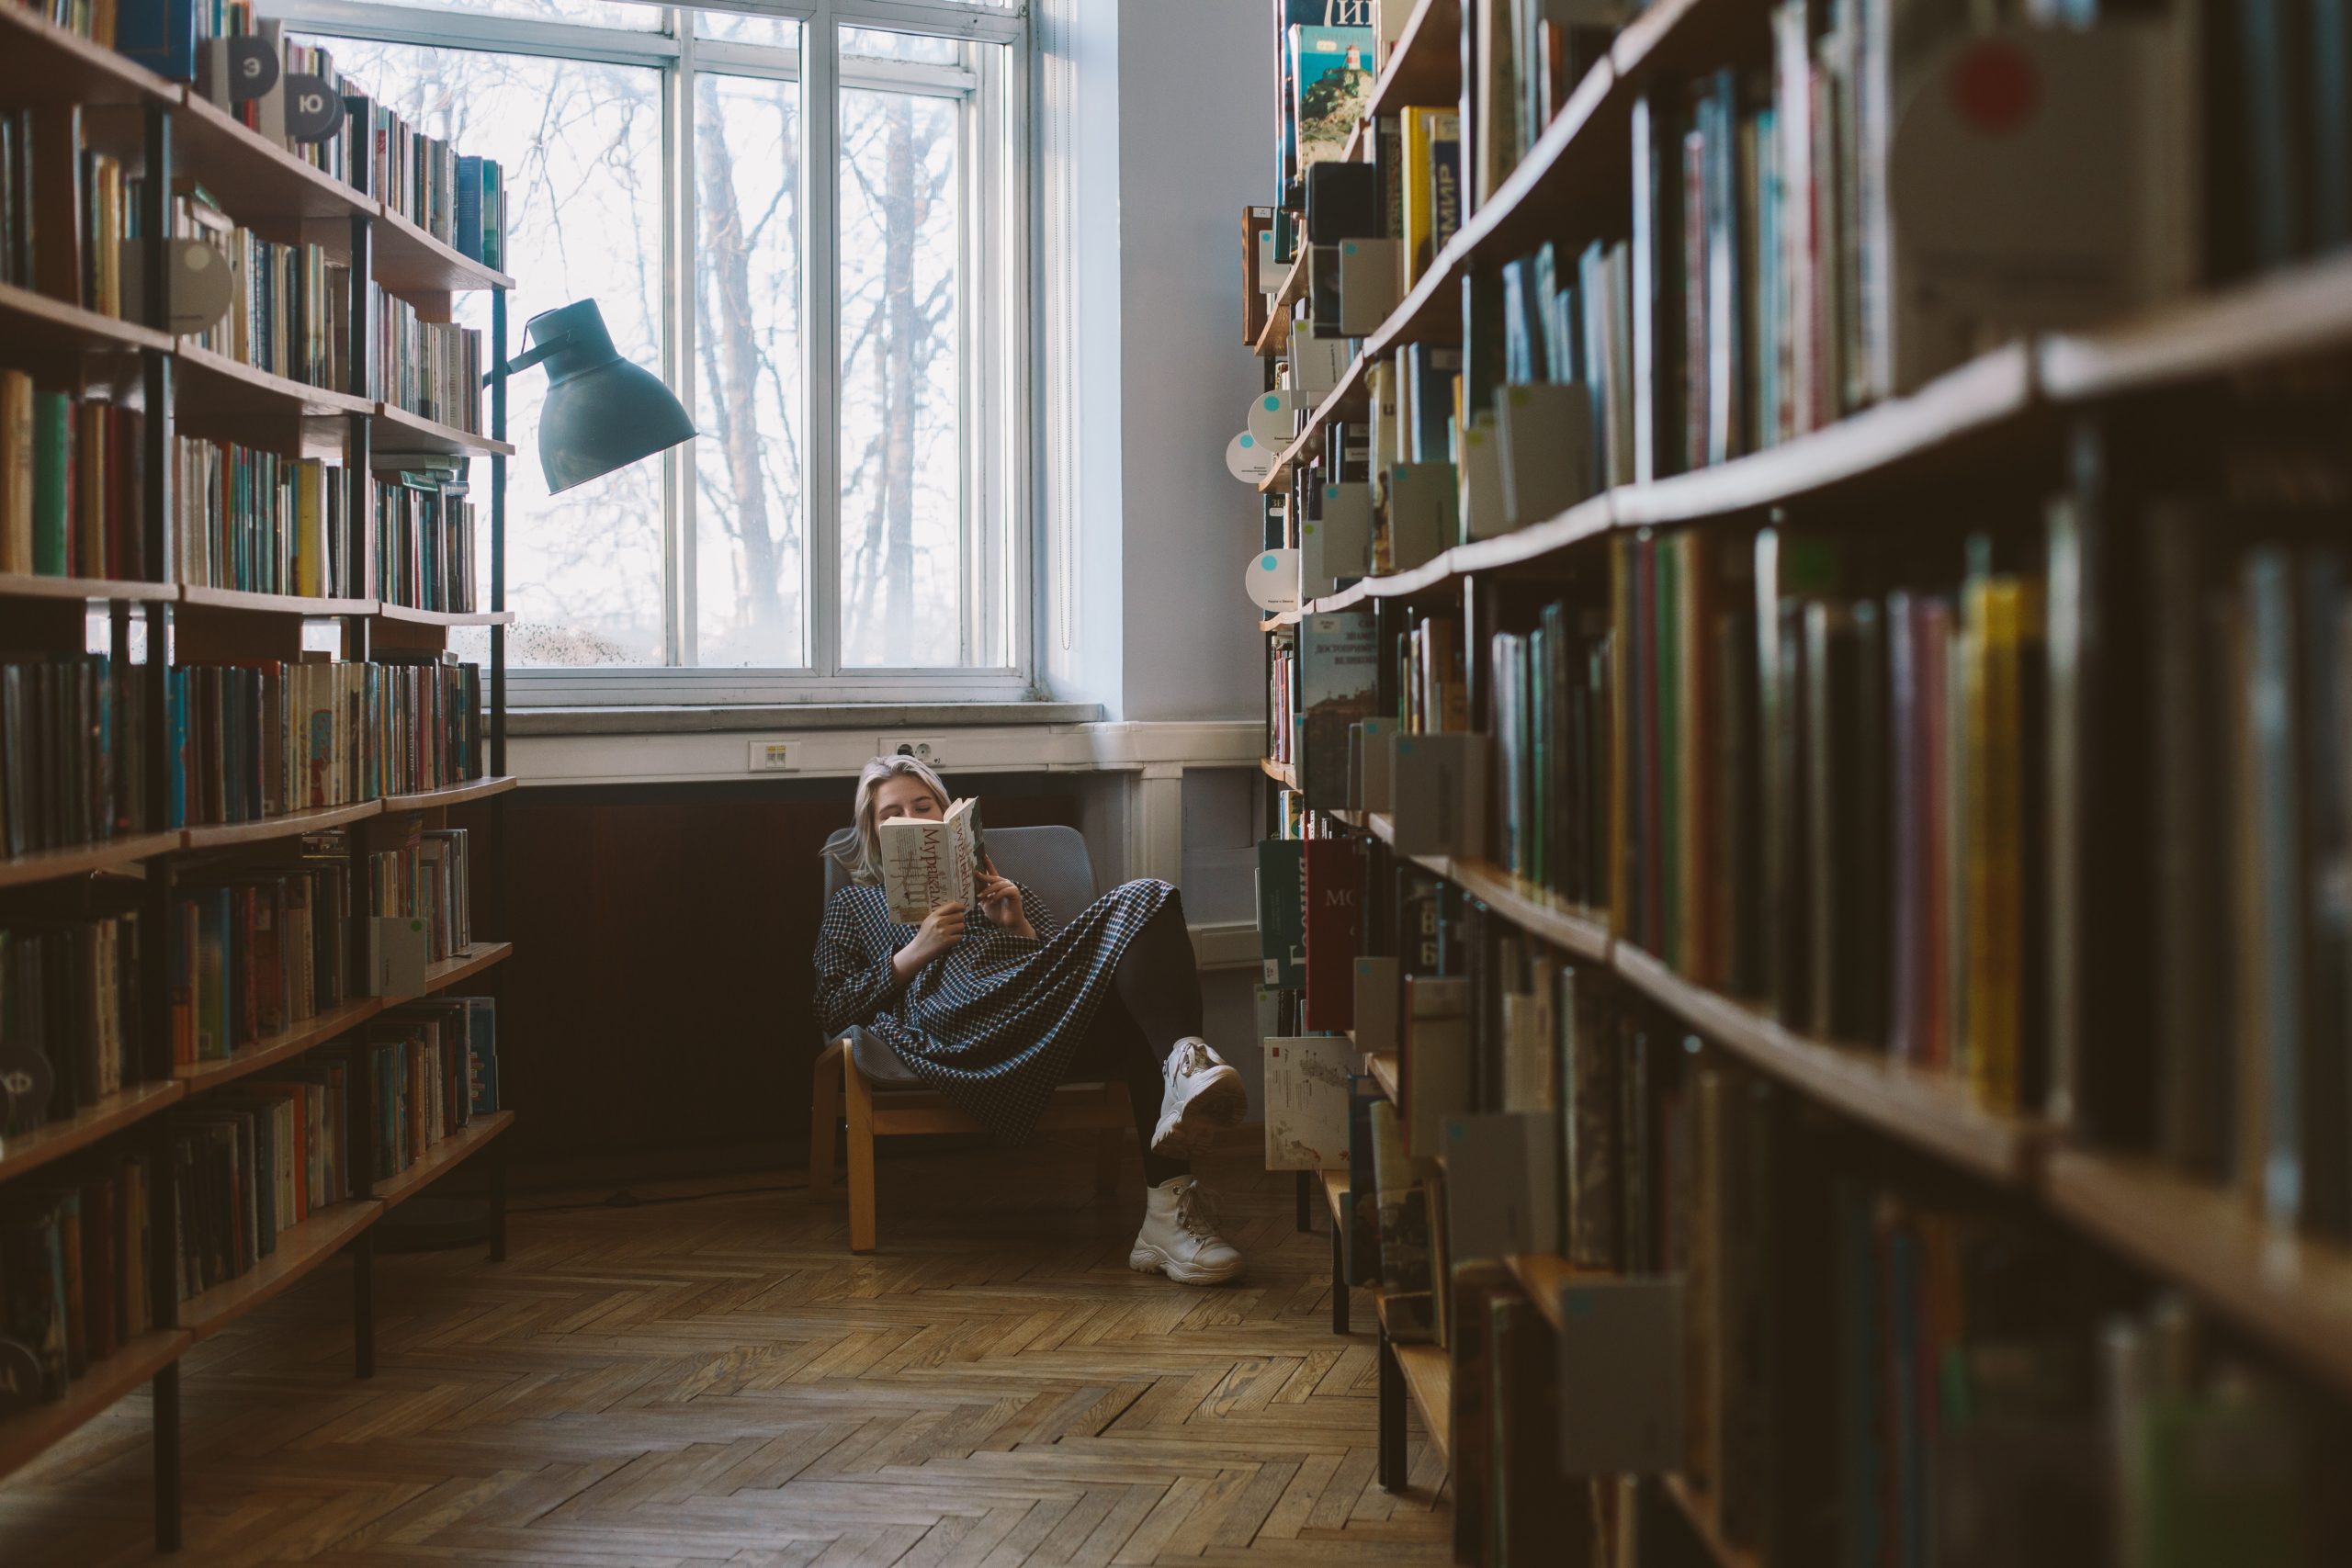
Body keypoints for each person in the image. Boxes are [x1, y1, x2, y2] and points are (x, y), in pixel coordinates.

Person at [813, 754, 1250, 1284]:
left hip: (1032, 1013)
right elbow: (831, 1008)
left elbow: (1063, 966)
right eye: (892, 814)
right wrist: (912, 954)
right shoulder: (855, 905)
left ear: (948, 817)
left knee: (1149, 899)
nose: (912, 817)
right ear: (875, 834)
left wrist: (1016, 924)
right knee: (1141, 919)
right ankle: (1185, 1068)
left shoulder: (998, 886)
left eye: (923, 806)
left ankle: (1167, 1216)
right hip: (955, 1026)